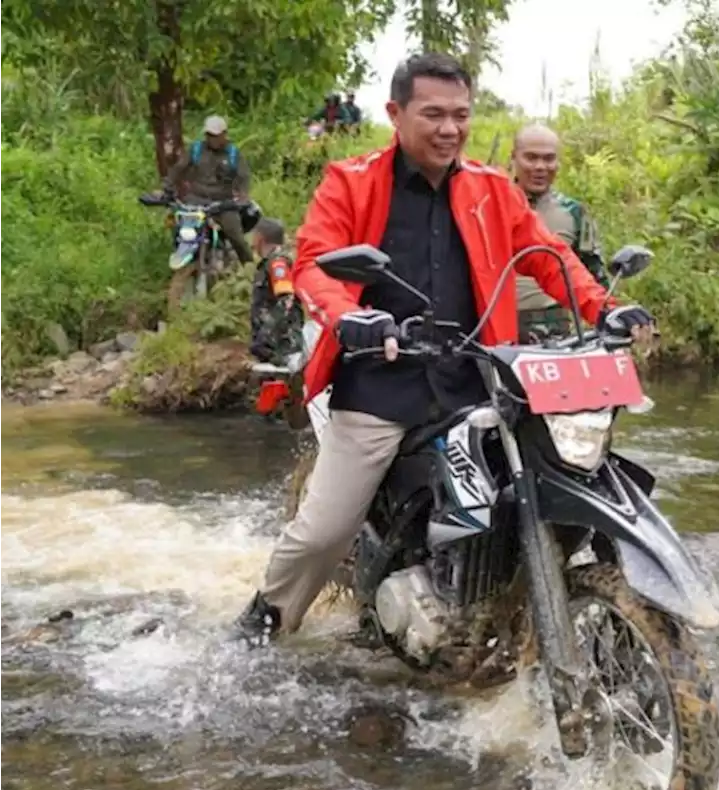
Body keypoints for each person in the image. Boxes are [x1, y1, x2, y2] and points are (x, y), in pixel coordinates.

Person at [231, 52, 656, 643]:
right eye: (433, 114)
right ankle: (266, 619)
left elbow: (548, 256)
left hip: (476, 379)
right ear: (396, 114)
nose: (449, 129)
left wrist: (606, 308)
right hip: (379, 383)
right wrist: (351, 318)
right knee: (325, 529)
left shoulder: (492, 190)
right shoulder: (350, 182)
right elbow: (313, 265)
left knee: (540, 480)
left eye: (460, 115)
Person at [508, 123, 608, 342]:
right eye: (531, 158)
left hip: (555, 329)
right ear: (513, 158)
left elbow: (594, 273)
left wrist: (609, 316)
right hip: (499, 325)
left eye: (548, 159)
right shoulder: (489, 206)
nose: (540, 166)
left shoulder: (572, 212)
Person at [162, 115, 254, 264]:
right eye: (209, 135)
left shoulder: (233, 154)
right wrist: (167, 186)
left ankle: (251, 270)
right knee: (178, 227)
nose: (213, 139)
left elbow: (243, 176)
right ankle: (184, 257)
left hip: (222, 203)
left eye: (216, 136)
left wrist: (243, 196)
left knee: (235, 235)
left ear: (224, 134)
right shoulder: (196, 149)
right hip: (195, 200)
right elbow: (179, 168)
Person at [247, 217, 301, 364]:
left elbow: (286, 300)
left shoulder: (278, 264)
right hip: (271, 347)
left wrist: (267, 333)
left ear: (259, 237)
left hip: (282, 346)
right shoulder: (268, 263)